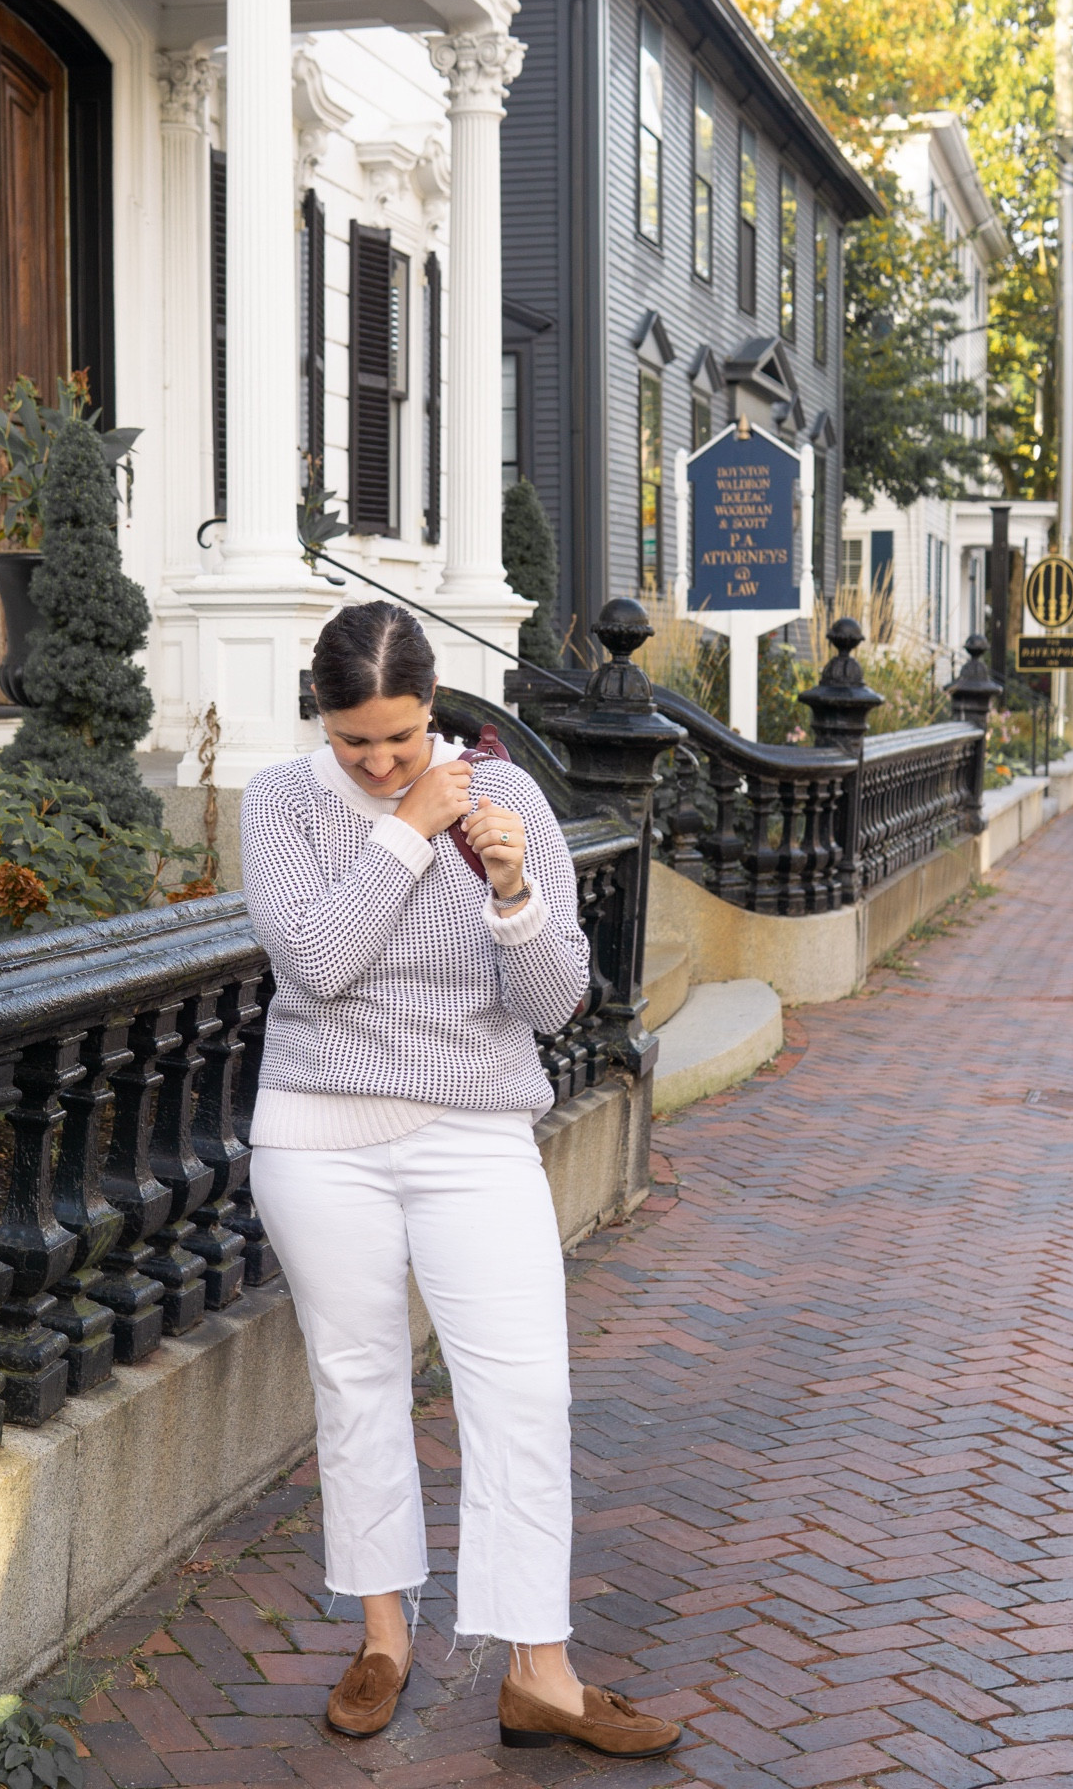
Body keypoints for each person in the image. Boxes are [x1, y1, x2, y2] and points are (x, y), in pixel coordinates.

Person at [239, 601, 681, 1760]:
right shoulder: (282, 804)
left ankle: (540, 1665)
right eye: (355, 742)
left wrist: (512, 888)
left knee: (525, 1392)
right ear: (321, 722)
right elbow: (319, 965)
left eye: (401, 737)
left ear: (434, 710)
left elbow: (551, 1002)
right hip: (317, 1134)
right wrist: (404, 830)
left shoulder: (508, 795)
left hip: (475, 1132)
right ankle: (384, 1636)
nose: (382, 762)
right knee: (359, 1380)